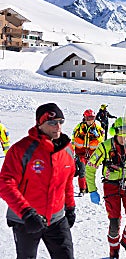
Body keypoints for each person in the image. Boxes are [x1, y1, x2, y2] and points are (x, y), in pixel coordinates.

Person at [0, 103, 76, 259]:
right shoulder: (21, 149)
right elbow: (5, 183)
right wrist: (27, 213)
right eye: (52, 122)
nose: (58, 126)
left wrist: (70, 207)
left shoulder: (67, 149)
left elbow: (67, 182)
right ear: (40, 125)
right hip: (26, 220)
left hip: (56, 219)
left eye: (61, 122)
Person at [86, 117, 126, 259]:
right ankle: (113, 249)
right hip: (111, 187)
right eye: (121, 134)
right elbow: (90, 168)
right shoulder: (105, 147)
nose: (124, 138)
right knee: (114, 223)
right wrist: (92, 190)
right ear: (115, 132)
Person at [72, 109, 104, 196]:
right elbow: (73, 139)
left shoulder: (97, 128)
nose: (90, 120)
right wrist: (72, 152)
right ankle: (82, 189)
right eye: (88, 118)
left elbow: (102, 140)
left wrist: (97, 136)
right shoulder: (79, 127)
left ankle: (87, 188)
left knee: (89, 171)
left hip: (91, 154)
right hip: (80, 153)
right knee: (82, 171)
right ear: (85, 118)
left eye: (92, 118)